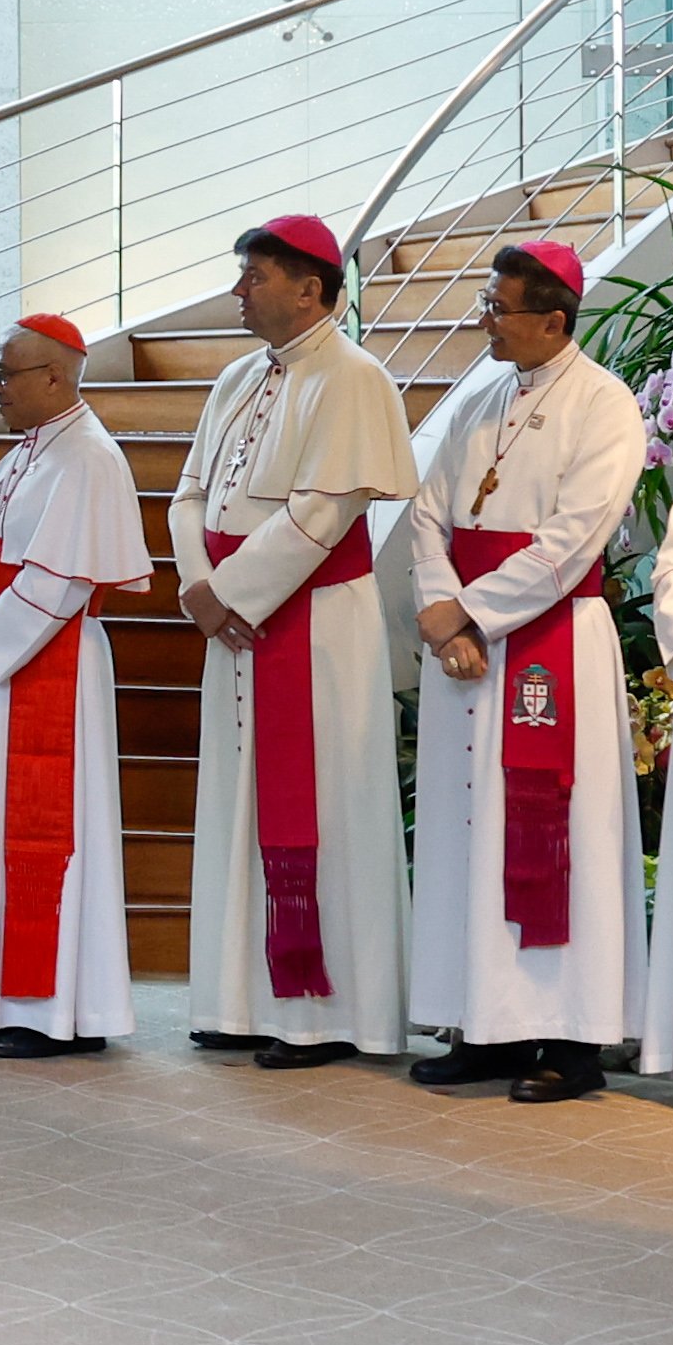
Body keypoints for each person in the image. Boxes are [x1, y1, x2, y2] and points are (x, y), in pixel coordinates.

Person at [171, 216, 418, 1069]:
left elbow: (323, 511)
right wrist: (197, 590)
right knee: (236, 806)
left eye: (254, 276)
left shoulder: (353, 378)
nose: (238, 291)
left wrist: (227, 591)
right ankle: (236, 998)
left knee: (320, 806)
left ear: (309, 287)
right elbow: (186, 493)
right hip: (234, 618)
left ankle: (323, 1013)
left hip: (311, 621)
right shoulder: (240, 375)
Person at [406, 243, 648, 1102]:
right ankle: (483, 1024)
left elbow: (574, 537)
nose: (484, 320)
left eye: (497, 307)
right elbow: (426, 514)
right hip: (466, 652)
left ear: (552, 318)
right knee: (464, 833)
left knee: (557, 831)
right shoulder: (478, 399)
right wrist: (442, 620)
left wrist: (466, 611)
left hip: (551, 643)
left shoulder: (606, 405)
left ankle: (566, 1039)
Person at [0, 317, 152, 1058]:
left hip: (49, 666)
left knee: (47, 835)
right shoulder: (26, 454)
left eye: (2, 373)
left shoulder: (87, 458)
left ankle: (53, 1009)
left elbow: (61, 580)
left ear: (53, 376)